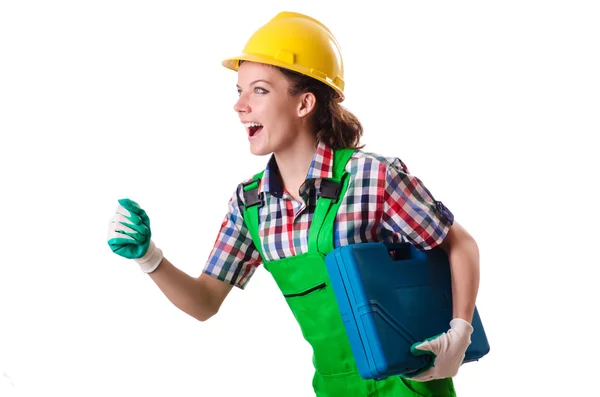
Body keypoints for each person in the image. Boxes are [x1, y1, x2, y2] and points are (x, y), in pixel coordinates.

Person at [107, 11, 480, 397]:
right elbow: (204, 302)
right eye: (239, 91)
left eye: (259, 90)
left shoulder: (372, 177)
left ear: (304, 103)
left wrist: (460, 332)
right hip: (334, 388)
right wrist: (150, 258)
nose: (240, 105)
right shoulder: (251, 205)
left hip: (410, 384)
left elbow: (459, 244)